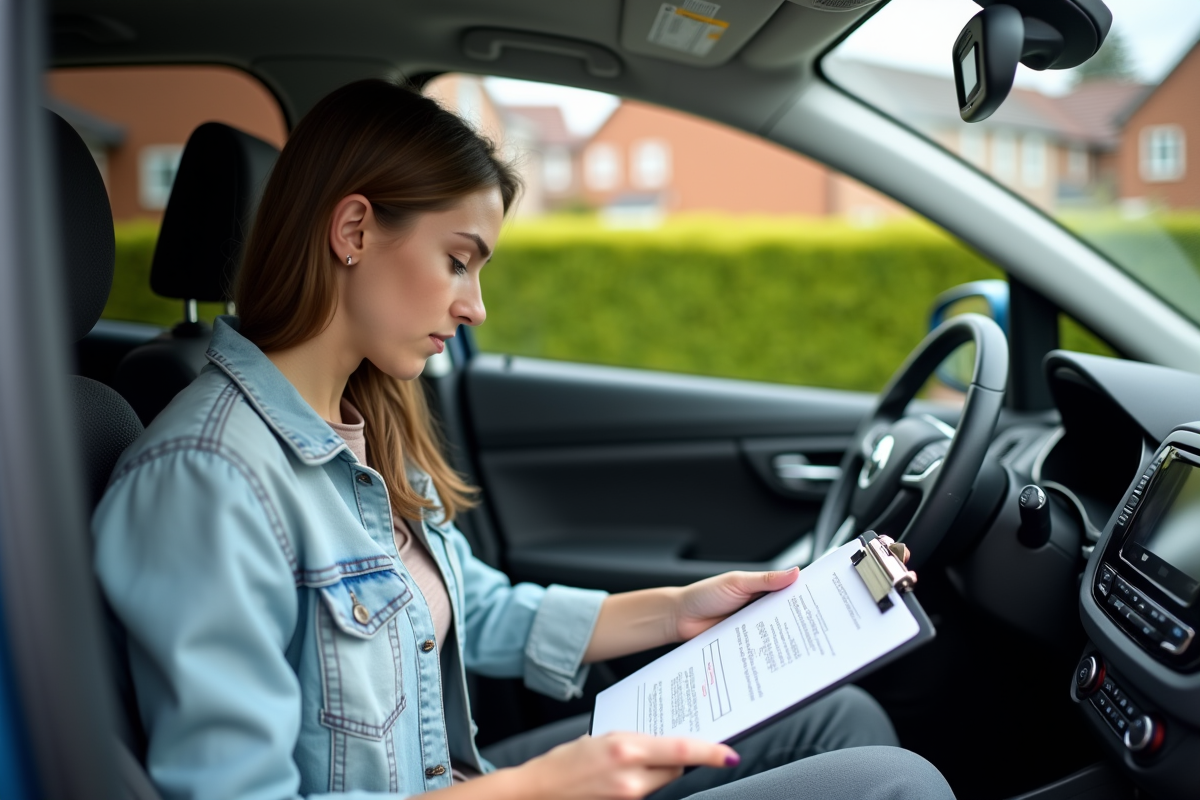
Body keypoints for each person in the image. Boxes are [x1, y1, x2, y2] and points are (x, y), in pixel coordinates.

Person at [92, 79, 954, 800]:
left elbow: (482, 607)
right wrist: (534, 787)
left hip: (464, 780)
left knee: (840, 719)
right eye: (458, 260)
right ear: (353, 231)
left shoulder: (361, 426)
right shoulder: (205, 481)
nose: (475, 307)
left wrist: (680, 609)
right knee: (894, 784)